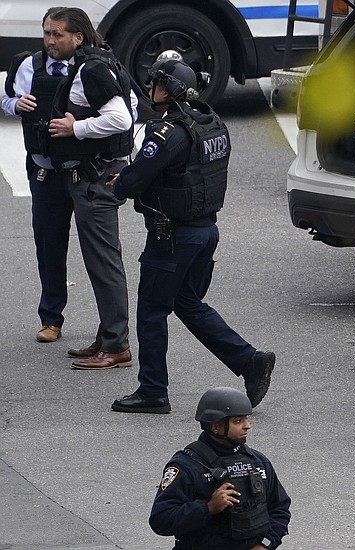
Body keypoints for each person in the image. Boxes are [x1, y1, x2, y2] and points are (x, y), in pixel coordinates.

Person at [107, 58, 275, 413]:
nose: (150, 91)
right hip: (205, 232)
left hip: (174, 238)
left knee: (152, 310)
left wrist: (118, 183)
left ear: (167, 89)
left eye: (155, 85)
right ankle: (249, 361)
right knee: (187, 303)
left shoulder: (169, 133)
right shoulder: (209, 122)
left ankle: (153, 391)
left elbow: (136, 179)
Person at [2, 7, 135, 358]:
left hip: (89, 175)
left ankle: (114, 341)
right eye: (46, 32)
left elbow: (126, 113)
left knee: (102, 260)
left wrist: (76, 127)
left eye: (56, 34)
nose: (48, 40)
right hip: (47, 170)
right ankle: (64, 322)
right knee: (50, 247)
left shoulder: (94, 67)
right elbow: (6, 97)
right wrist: (16, 104)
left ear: (77, 37)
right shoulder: (30, 64)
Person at [150, 387, 291, 549]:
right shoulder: (186, 466)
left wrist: (265, 544)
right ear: (216, 427)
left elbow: (280, 509)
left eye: (246, 419)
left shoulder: (258, 462)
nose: (247, 426)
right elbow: (160, 519)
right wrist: (208, 508)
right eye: (238, 421)